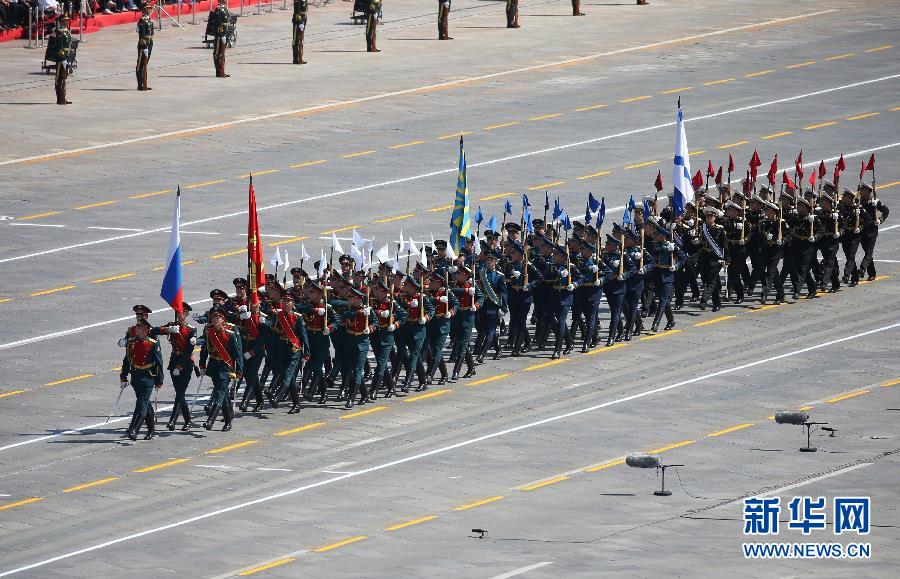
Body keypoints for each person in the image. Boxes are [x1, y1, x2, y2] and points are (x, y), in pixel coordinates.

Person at [152, 304, 197, 431]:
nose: (181, 315)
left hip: (186, 363)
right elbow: (153, 331)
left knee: (180, 392)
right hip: (174, 360)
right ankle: (188, 420)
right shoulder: (172, 325)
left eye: (184, 313)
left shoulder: (191, 329)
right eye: (179, 313)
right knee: (179, 393)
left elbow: (188, 351)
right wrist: (168, 329)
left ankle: (173, 420)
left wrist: (180, 366)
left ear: (187, 315)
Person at [199, 307, 243, 431]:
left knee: (219, 392)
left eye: (218, 317)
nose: (215, 319)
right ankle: (228, 422)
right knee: (223, 394)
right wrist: (202, 365)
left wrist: (239, 370)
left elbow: (237, 353)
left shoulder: (230, 333)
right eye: (213, 317)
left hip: (226, 366)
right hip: (214, 365)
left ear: (223, 319)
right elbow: (204, 349)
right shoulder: (209, 331)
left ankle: (210, 420)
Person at [119, 318, 164, 441]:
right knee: (144, 402)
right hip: (136, 376)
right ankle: (151, 429)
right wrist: (123, 376)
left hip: (148, 377)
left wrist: (159, 380)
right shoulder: (132, 342)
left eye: (139, 327)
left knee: (142, 403)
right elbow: (127, 360)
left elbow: (159, 363)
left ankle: (135, 430)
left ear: (145, 330)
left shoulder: (153, 343)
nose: (136, 329)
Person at [856, 182, 888, 282]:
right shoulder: (858, 201)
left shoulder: (874, 201)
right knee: (867, 252)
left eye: (863, 190)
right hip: (862, 230)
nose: (861, 192)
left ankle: (862, 268)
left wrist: (880, 220)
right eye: (861, 190)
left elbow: (886, 211)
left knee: (869, 251)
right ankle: (872, 273)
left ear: (868, 192)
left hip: (872, 230)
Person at [49, 13, 72, 105]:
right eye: (65, 20)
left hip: (66, 56)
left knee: (64, 78)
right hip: (61, 58)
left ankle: (63, 97)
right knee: (59, 78)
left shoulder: (66, 31)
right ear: (62, 21)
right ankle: (60, 99)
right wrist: (62, 59)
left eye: (67, 20)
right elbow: (59, 47)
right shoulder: (60, 32)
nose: (67, 22)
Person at [211, 0, 230, 77]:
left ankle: (222, 70)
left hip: (225, 32)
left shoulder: (224, 8)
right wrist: (222, 35)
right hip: (220, 35)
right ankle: (218, 72)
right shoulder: (218, 9)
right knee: (217, 53)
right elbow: (218, 23)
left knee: (222, 53)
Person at [136, 4, 153, 91]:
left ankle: (144, 82)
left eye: (150, 8)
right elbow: (142, 35)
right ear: (144, 10)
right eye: (148, 8)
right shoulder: (142, 20)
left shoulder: (149, 19)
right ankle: (140, 85)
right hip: (144, 44)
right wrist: (144, 46)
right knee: (140, 65)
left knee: (145, 64)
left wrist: (150, 44)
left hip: (149, 43)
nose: (150, 9)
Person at [292, 0, 307, 64]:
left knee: (301, 40)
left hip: (303, 18)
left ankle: (300, 57)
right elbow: (296, 11)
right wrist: (300, 22)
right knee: (296, 40)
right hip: (298, 20)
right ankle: (296, 59)